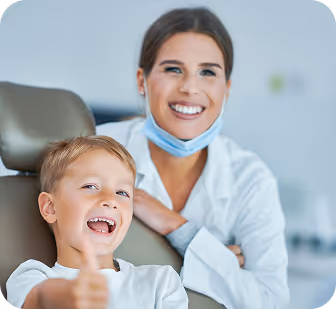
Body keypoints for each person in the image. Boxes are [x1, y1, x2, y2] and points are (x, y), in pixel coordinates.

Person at [97, 7, 290, 309]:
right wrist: (215, 261)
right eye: (173, 69)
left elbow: (270, 300)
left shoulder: (250, 177)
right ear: (141, 81)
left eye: (208, 72)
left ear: (226, 89)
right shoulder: (96, 147)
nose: (190, 87)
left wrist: (175, 226)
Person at [6, 136, 188, 309]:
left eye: (122, 193)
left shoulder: (160, 282)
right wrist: (66, 295)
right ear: (50, 208)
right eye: (90, 186)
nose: (111, 200)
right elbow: (38, 299)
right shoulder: (31, 277)